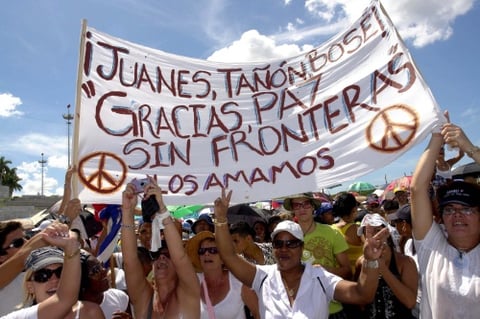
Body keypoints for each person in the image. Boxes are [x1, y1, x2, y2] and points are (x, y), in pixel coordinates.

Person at [214, 189, 389, 319]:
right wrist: (221, 219)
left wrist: (371, 261)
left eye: (291, 243)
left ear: (301, 247)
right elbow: (229, 256)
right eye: (278, 243)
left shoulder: (320, 278)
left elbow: (362, 294)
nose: (284, 248)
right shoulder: (263, 277)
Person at [410, 121, 480, 318]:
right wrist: (436, 136)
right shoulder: (432, 248)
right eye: (449, 209)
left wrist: (470, 148)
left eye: (466, 208)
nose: (457, 214)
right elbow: (417, 190)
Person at [121, 177, 200, 318]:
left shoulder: (189, 293)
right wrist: (127, 211)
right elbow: (130, 261)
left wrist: (162, 209)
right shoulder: (144, 299)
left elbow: (180, 257)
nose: (162, 257)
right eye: (156, 255)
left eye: (168, 255)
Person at [0, 199, 82, 315]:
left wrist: (68, 189)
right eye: (18, 242)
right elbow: (23, 255)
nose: (26, 242)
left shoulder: (36, 268)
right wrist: (65, 219)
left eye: (26, 237)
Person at [1, 222, 96, 319]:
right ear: (29, 286)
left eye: (60, 272)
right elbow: (65, 299)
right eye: (42, 276)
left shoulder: (89, 312)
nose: (54, 280)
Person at [284, 192, 351, 318]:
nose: (302, 208)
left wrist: (326, 270)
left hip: (332, 308)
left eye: (306, 204)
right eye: (297, 205)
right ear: (293, 209)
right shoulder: (286, 237)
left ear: (313, 206)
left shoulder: (332, 233)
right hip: (301, 310)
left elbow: (347, 271)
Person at [355, 213, 418, 319]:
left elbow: (410, 302)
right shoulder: (361, 263)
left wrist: (383, 269)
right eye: (367, 232)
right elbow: (359, 300)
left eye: (377, 230)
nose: (374, 236)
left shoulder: (405, 262)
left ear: (387, 233)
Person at [186, 231, 259, 319]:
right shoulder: (193, 281)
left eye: (213, 250)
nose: (206, 254)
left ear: (223, 258)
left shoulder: (239, 280)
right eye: (202, 251)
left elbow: (258, 313)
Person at [332, 192, 364, 275]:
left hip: (340, 277)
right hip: (359, 275)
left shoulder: (331, 229)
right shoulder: (357, 229)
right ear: (354, 209)